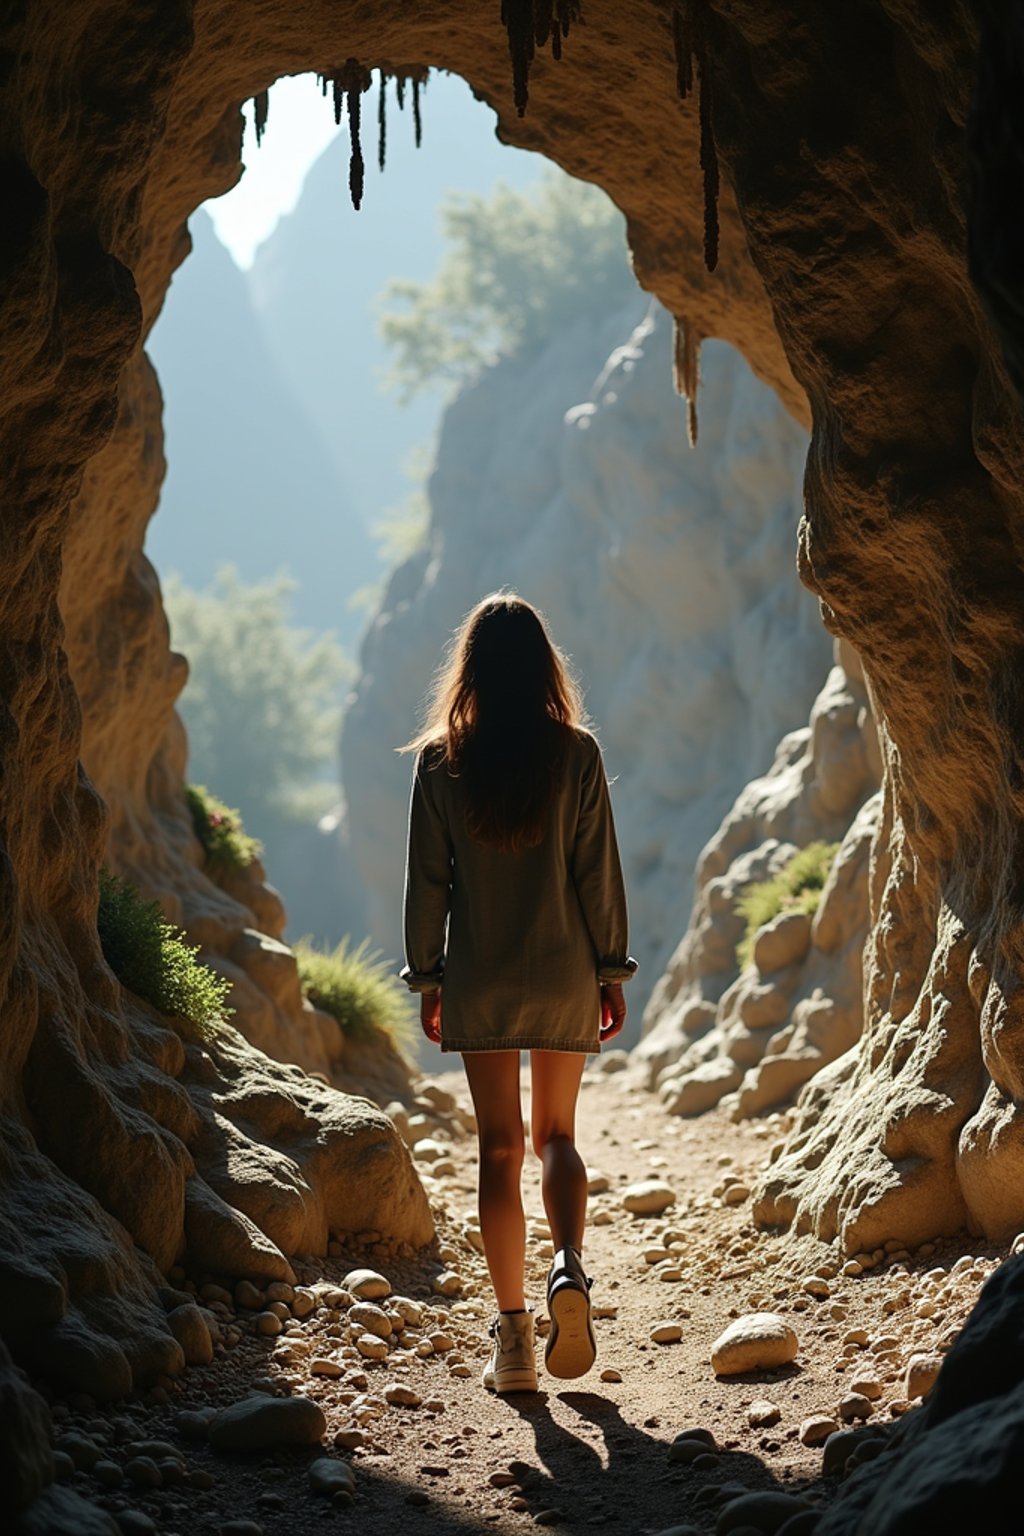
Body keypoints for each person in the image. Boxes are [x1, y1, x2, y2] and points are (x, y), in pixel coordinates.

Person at [399, 592, 637, 1394]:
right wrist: (611, 968)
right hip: (565, 968)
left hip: (480, 973)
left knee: (497, 1149)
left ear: (469, 667)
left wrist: (427, 976)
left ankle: (513, 1343)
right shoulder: (576, 755)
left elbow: (428, 881)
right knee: (556, 1138)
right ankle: (568, 1267)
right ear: (544, 665)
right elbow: (597, 872)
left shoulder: (440, 761)